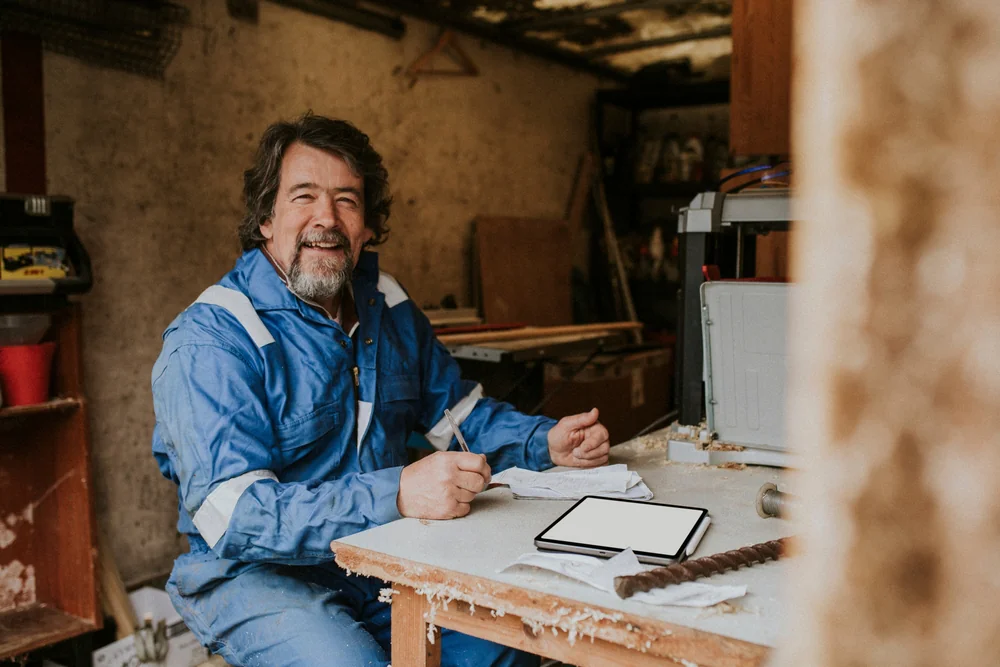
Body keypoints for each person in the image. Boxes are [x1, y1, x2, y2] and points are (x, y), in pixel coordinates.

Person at [151, 113, 611, 667]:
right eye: (304, 196)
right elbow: (238, 516)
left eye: (347, 200)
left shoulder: (385, 303)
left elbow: (457, 417)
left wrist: (546, 442)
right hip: (256, 575)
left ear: (367, 225)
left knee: (504, 640)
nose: (327, 218)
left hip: (378, 555)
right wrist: (395, 495)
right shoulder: (213, 338)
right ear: (265, 220)